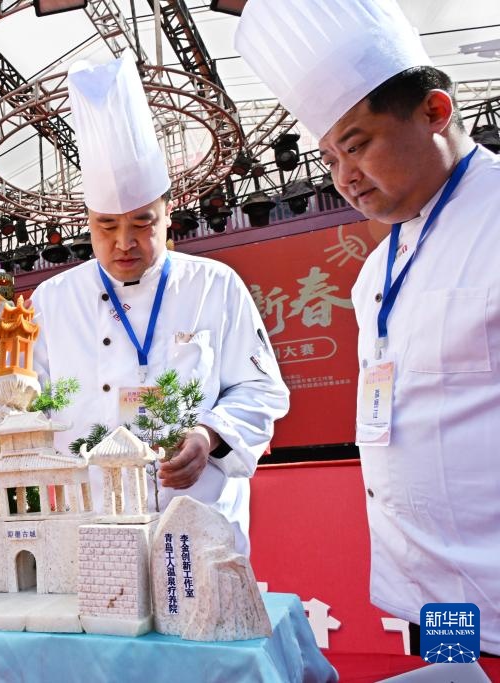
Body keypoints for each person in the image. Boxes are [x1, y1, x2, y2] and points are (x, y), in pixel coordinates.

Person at [236, 0, 500, 656]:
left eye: (356, 146)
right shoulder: (376, 269)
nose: (344, 177)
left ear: (434, 112)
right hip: (433, 592)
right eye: (329, 158)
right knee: (452, 675)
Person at [31, 51, 289, 556]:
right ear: (88, 223)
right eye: (107, 226)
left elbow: (260, 389)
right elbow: (29, 406)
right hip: (88, 518)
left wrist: (209, 435)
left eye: (142, 222)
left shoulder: (215, 285)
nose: (124, 242)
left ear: (168, 214)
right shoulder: (52, 300)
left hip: (196, 512)